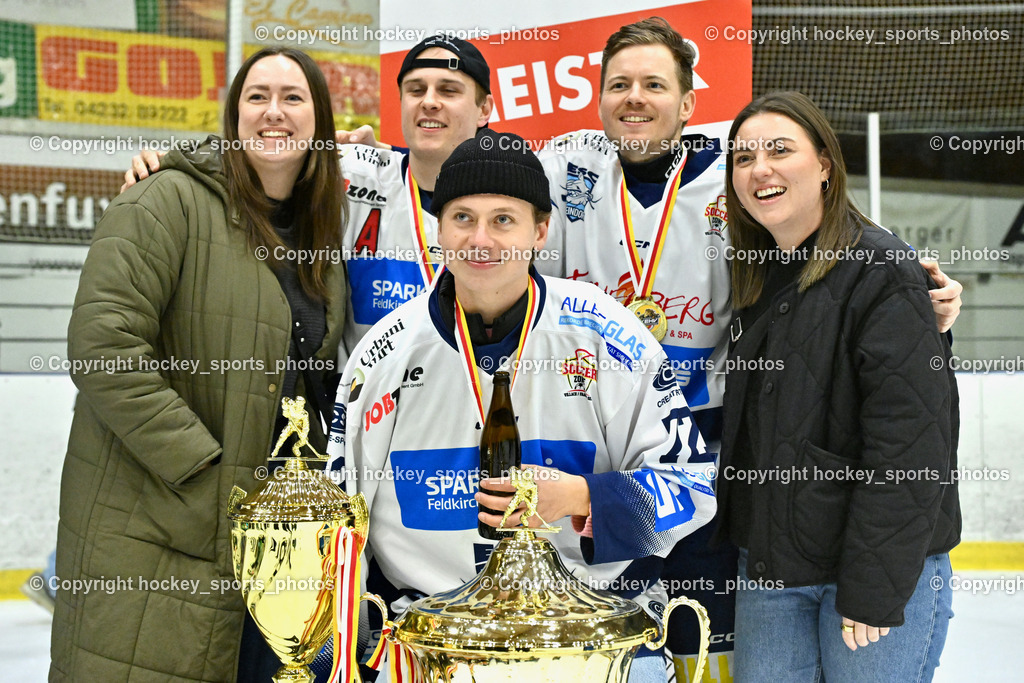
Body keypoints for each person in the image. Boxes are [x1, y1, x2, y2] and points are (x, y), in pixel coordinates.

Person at [535, 17, 964, 679]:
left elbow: (909, 440)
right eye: (618, 84)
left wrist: (916, 290)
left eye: (654, 83)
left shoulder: (858, 261)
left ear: (688, 103)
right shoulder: (760, 262)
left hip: (794, 532)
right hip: (754, 542)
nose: (634, 97)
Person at [327, 129, 717, 683]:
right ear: (439, 229)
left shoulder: (607, 335)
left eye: (503, 220)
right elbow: (341, 526)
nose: (480, 239)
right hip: (433, 643)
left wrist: (579, 497)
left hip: (592, 635)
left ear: (540, 230)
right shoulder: (382, 354)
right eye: (463, 218)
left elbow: (693, 489)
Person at [50, 47, 347, 682]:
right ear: (234, 115)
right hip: (164, 523)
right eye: (257, 97)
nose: (274, 112)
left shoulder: (321, 235)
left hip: (279, 542)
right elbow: (103, 345)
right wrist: (202, 466)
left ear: (320, 121)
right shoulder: (164, 199)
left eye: (293, 98)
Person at [717, 91, 959, 681]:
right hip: (771, 569)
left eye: (780, 150)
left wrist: (874, 584)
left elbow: (911, 443)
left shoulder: (881, 268)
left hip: (868, 572)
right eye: (744, 158)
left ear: (825, 163)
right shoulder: (754, 273)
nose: (760, 169)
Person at [123, 34, 495, 353]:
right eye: (415, 90)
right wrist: (168, 164)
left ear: (484, 110)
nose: (429, 101)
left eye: (448, 90)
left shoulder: (512, 203)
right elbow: (261, 151)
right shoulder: (350, 169)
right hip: (361, 405)